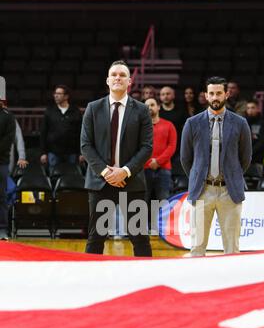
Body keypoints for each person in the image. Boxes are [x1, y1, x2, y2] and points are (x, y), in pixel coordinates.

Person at [81, 60, 153, 256]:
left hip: (132, 182)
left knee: (139, 237)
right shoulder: (93, 108)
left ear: (129, 81)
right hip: (100, 182)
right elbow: (86, 146)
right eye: (114, 74)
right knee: (96, 237)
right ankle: (88, 283)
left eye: (122, 75)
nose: (118, 78)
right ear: (107, 80)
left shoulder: (142, 110)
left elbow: (147, 147)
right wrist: (107, 173)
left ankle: (148, 281)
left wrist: (125, 171)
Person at [180, 76, 252, 257]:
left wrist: (231, 176)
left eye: (219, 93)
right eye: (211, 93)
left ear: (226, 94)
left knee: (232, 248)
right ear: (205, 95)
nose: (215, 97)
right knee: (197, 247)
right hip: (202, 190)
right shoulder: (192, 123)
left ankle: (232, 284)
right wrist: (199, 178)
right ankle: (197, 286)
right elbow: (185, 158)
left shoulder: (240, 123)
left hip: (229, 191)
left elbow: (246, 157)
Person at [144, 97, 177, 229]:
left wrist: (158, 161)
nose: (149, 108)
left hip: (163, 169)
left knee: (163, 200)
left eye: (152, 105)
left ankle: (164, 230)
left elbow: (172, 146)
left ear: (158, 107)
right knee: (142, 201)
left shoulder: (169, 125)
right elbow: (137, 147)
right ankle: (141, 230)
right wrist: (148, 161)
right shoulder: (141, 127)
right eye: (146, 106)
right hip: (144, 168)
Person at [40, 84, 83, 173]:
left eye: (59, 93)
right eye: (55, 93)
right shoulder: (49, 111)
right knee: (54, 176)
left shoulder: (75, 111)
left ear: (66, 96)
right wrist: (43, 153)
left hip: (72, 152)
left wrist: (81, 153)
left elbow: (81, 133)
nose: (56, 95)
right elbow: (43, 132)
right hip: (53, 152)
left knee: (72, 176)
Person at [0, 97, 16, 240]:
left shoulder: (8, 117)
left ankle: (2, 229)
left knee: (1, 196)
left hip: (1, 162)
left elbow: (8, 140)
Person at [245, 99, 264, 167]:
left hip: (258, 159)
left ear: (258, 109)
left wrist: (250, 153)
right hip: (243, 159)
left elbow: (262, 142)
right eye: (248, 108)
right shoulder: (243, 123)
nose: (250, 110)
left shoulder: (263, 123)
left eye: (253, 107)